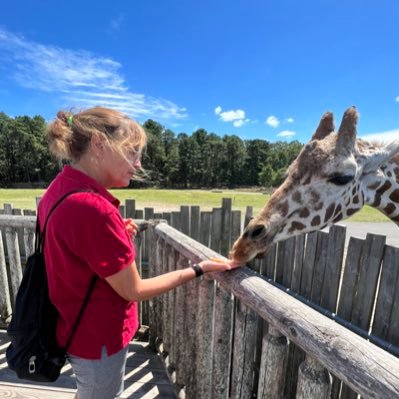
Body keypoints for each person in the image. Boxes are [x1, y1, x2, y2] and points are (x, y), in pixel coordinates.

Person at [40, 107, 241, 399]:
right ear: (99, 144)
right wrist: (199, 268)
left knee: (90, 392)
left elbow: (72, 245)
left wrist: (114, 234)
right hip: (98, 339)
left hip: (71, 326)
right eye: (132, 151)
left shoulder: (58, 190)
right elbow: (134, 290)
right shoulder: (94, 209)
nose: (138, 163)